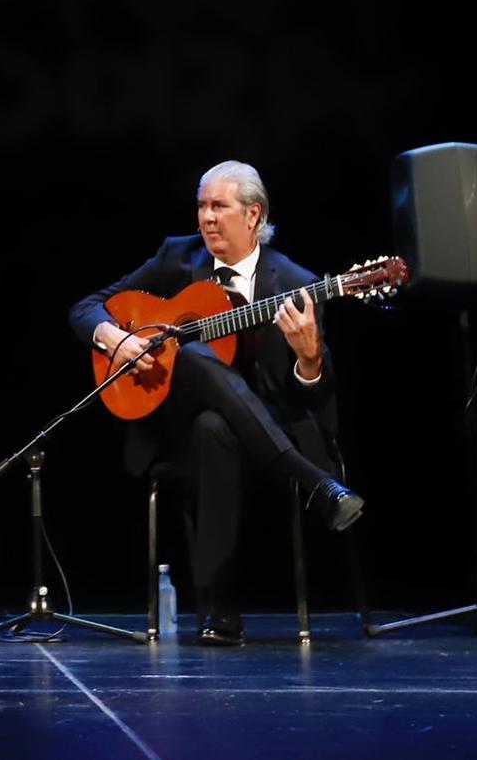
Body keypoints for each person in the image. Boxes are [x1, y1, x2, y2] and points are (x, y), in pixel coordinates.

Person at [67, 160, 363, 646]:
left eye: (218, 206)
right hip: (174, 436)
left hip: (268, 432)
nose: (206, 217)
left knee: (214, 426)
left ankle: (219, 617)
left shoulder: (296, 283)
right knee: (195, 358)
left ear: (253, 216)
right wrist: (115, 339)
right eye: (201, 206)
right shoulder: (175, 259)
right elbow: (85, 309)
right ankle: (315, 484)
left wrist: (309, 356)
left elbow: (316, 393)